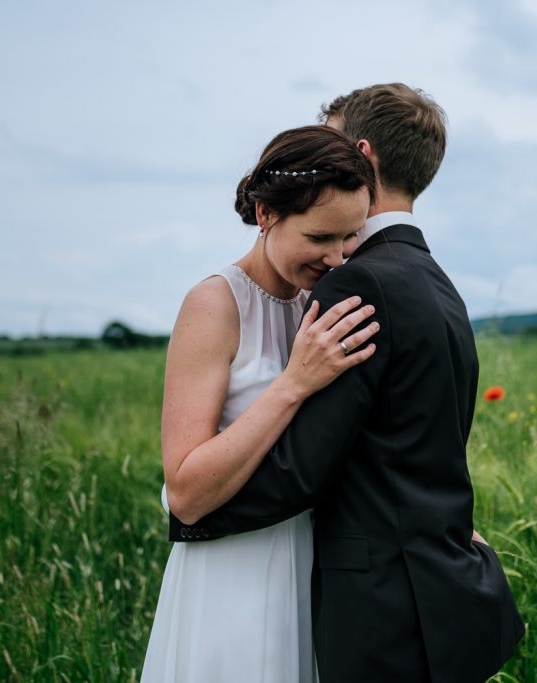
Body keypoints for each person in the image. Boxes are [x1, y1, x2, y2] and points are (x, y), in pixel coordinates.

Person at [171, 83, 525, 682]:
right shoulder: (439, 284)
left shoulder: (355, 284)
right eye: (320, 239)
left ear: (364, 155)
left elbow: (306, 466)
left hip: (371, 591)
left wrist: (189, 517)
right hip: (346, 576)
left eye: (333, 142)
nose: (334, 255)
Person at [141, 125, 380, 682]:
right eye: (320, 237)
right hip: (231, 577)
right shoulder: (214, 304)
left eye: (349, 239)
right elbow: (185, 491)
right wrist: (294, 382)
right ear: (266, 213)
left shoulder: (319, 304)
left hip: (316, 569)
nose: (338, 258)